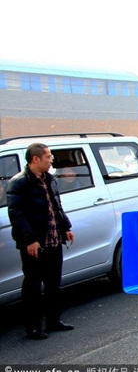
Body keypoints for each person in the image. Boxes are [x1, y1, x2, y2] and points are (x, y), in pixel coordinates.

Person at [7, 143, 75, 340]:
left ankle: (54, 320)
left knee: (54, 284)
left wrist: (66, 227)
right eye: (48, 157)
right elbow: (17, 215)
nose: (51, 160)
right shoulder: (19, 183)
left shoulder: (50, 179)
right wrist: (30, 240)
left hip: (54, 240)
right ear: (35, 159)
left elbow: (57, 206)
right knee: (33, 286)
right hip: (35, 245)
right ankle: (33, 327)